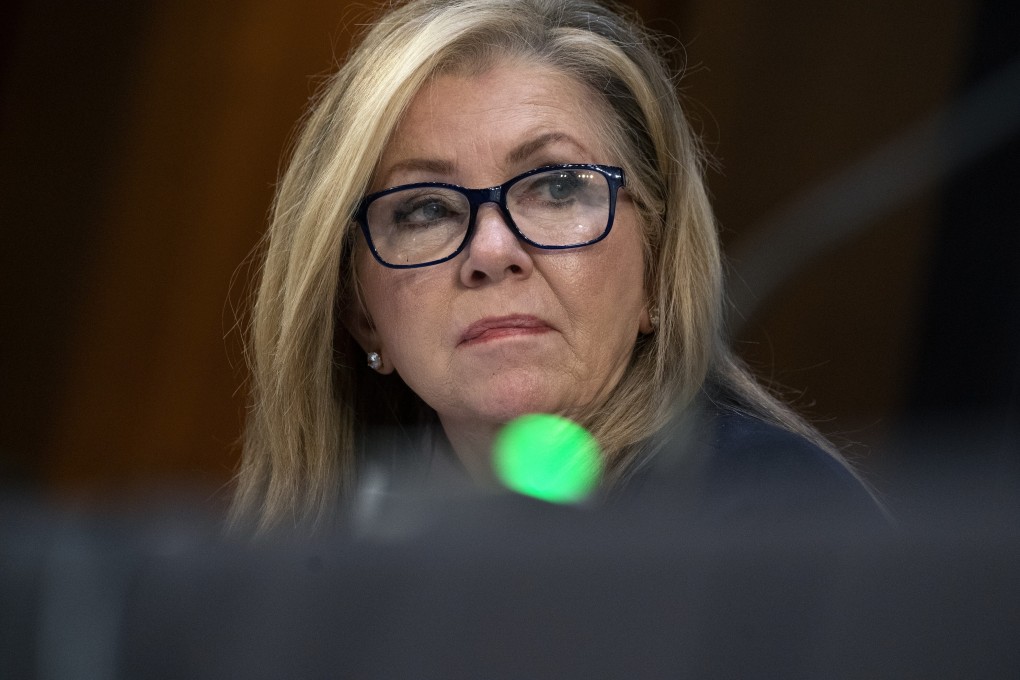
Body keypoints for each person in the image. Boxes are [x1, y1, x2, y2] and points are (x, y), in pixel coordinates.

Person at [229, 0, 878, 534]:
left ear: (658, 266)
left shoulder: (779, 518)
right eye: (426, 209)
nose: (491, 252)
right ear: (361, 314)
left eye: (558, 188)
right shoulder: (302, 567)